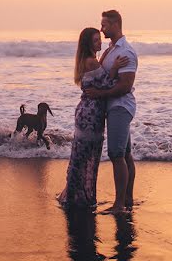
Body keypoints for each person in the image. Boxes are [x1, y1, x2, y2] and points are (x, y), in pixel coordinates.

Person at [58, 27, 129, 208]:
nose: (100, 42)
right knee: (88, 156)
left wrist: (105, 58)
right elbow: (109, 83)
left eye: (100, 39)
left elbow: (101, 82)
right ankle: (79, 197)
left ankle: (76, 194)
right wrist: (114, 67)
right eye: (96, 40)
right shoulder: (91, 62)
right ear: (88, 43)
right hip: (91, 114)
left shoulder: (89, 60)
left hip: (86, 111)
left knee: (81, 155)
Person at [84, 9, 138, 215]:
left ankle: (119, 205)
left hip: (120, 106)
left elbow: (125, 86)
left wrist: (99, 93)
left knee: (116, 154)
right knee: (125, 154)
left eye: (104, 25)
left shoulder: (126, 52)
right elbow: (101, 73)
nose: (101, 28)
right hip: (113, 107)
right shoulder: (110, 50)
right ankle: (128, 199)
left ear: (115, 25)